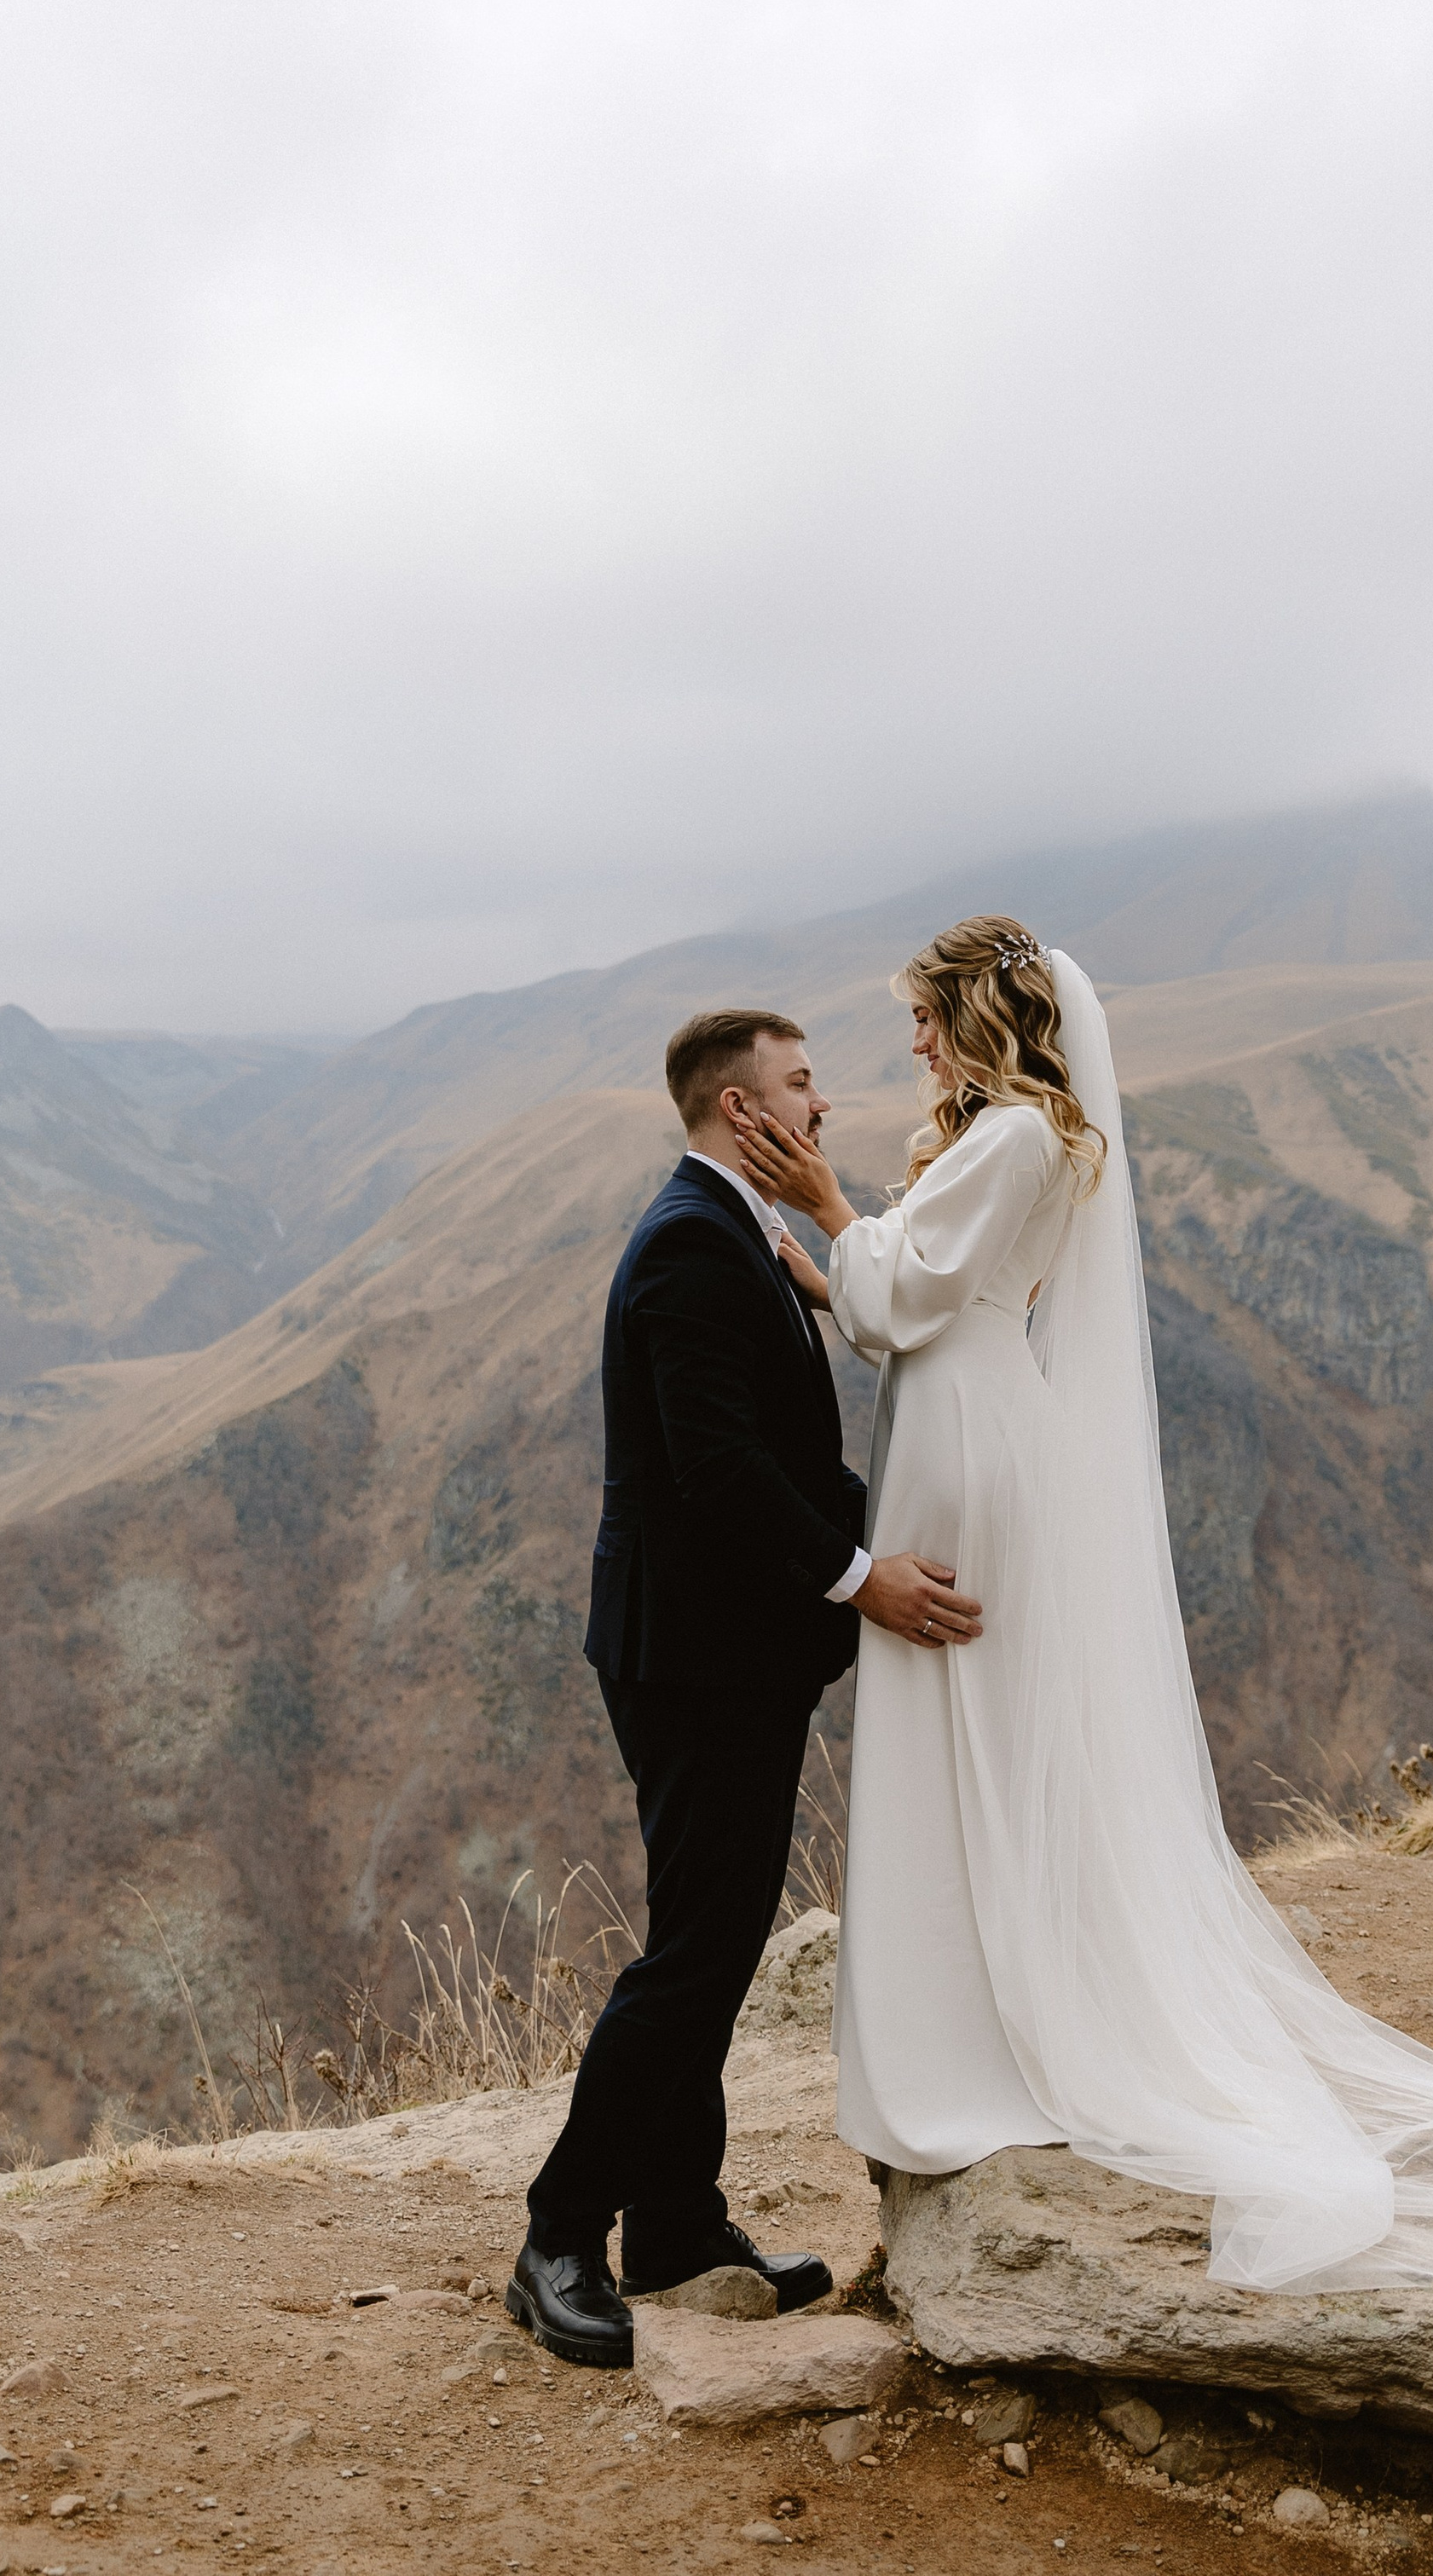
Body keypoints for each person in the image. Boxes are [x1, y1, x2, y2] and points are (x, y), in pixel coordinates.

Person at [735, 917, 1433, 2296]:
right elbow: (920, 1302)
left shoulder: (1014, 1134)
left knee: (972, 1728)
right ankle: (983, 2023)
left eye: (926, 1015)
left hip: (967, 1445)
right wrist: (840, 1270)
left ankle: (985, 2049)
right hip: (967, 1421)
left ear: (981, 1015)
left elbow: (906, 1306)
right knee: (975, 1734)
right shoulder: (1029, 1137)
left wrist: (830, 1216)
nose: (913, 1043)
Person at [511, 1006, 985, 2364]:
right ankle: (558, 2232)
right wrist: (860, 1577)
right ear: (741, 1112)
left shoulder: (735, 1234)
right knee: (697, 1955)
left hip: (724, 1651)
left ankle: (673, 2225)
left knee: (707, 1945)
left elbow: (779, 1441)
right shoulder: (686, 1251)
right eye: (800, 1085)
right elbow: (718, 1474)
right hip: (694, 1661)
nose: (821, 1105)